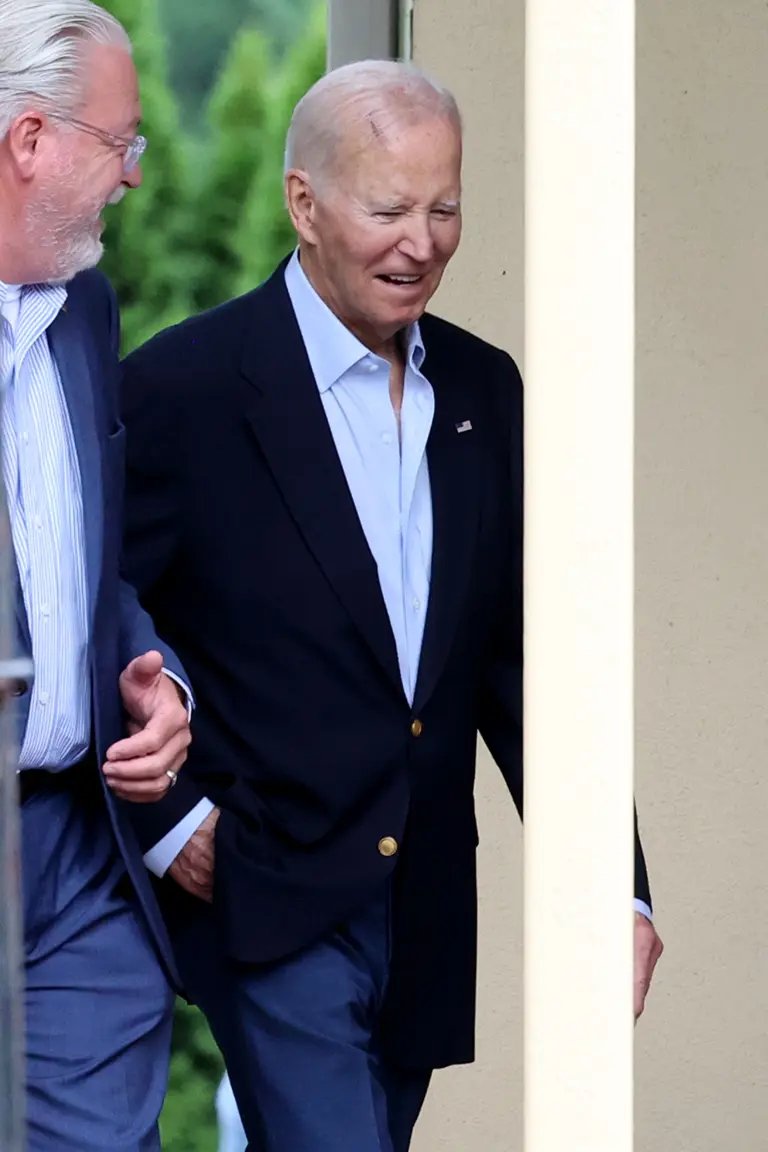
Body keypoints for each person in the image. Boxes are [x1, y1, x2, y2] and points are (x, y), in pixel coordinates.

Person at [120, 60, 663, 1152]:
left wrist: (616, 885)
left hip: (420, 908)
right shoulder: (183, 389)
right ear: (303, 203)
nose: (424, 242)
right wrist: (168, 821)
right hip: (262, 888)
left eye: (446, 207)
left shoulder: (485, 389)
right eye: (389, 209)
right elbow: (98, 618)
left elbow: (524, 660)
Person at [0, 3, 193, 1149]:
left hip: (77, 861)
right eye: (120, 143)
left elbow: (85, 558)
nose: (132, 176)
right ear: (29, 142)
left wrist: (149, 668)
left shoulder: (83, 308)